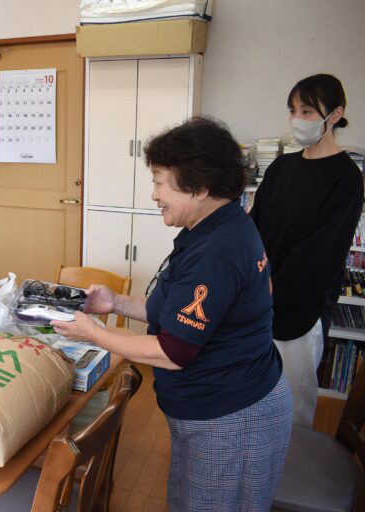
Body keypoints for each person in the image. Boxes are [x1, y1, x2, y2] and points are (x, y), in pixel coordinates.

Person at [52, 117, 292, 511]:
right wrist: (115, 303)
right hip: (212, 410)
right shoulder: (215, 228)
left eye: (161, 182)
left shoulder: (218, 250)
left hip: (233, 416)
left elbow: (173, 351)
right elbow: (176, 310)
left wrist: (95, 334)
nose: (154, 194)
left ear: (199, 186)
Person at [249, 74, 363, 427]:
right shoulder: (283, 166)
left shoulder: (346, 178)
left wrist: (270, 289)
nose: (297, 118)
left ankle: (290, 474)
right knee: (253, 392)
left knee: (291, 402)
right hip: (258, 300)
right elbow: (254, 225)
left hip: (300, 307)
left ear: (335, 114)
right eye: (293, 110)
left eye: (308, 110)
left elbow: (319, 253)